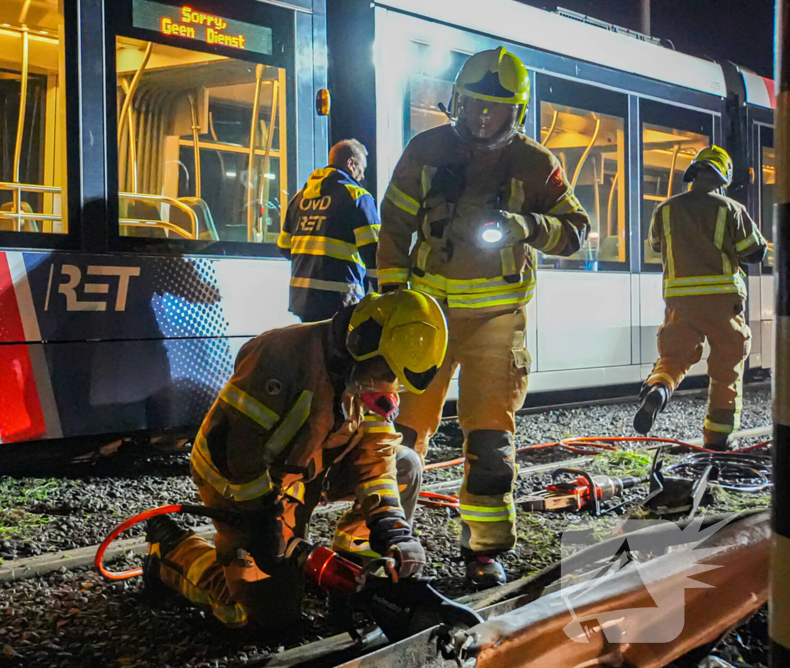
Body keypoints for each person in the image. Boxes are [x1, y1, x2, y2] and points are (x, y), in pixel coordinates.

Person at [376, 47, 589, 588]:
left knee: (491, 439)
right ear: (457, 100)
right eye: (474, 105)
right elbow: (394, 224)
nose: (482, 117)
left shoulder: (537, 163)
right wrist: (391, 298)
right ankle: (383, 536)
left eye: (495, 108)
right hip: (426, 315)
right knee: (397, 431)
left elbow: (577, 232)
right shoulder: (426, 150)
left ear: (516, 110)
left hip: (497, 319)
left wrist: (528, 227)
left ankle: (484, 549)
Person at [141, 290, 448, 629]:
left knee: (405, 464)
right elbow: (236, 447)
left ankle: (354, 573)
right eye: (382, 372)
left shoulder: (373, 374)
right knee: (261, 619)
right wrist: (262, 519)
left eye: (393, 379)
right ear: (361, 340)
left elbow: (376, 455)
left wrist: (392, 526)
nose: (385, 384)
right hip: (239, 481)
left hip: (308, 470)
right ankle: (172, 551)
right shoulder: (280, 355)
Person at [634, 145, 767, 449]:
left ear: (693, 173)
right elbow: (754, 251)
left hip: (680, 302)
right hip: (723, 302)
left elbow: (656, 245)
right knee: (726, 369)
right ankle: (717, 440)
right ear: (723, 177)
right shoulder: (731, 209)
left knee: (674, 358)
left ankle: (659, 388)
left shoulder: (665, 209)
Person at [278, 140, 381, 322]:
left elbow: (285, 247)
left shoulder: (299, 198)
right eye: (361, 169)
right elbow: (374, 254)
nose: (362, 176)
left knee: (312, 349)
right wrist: (382, 293)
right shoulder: (357, 196)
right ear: (350, 163)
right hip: (341, 299)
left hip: (303, 298)